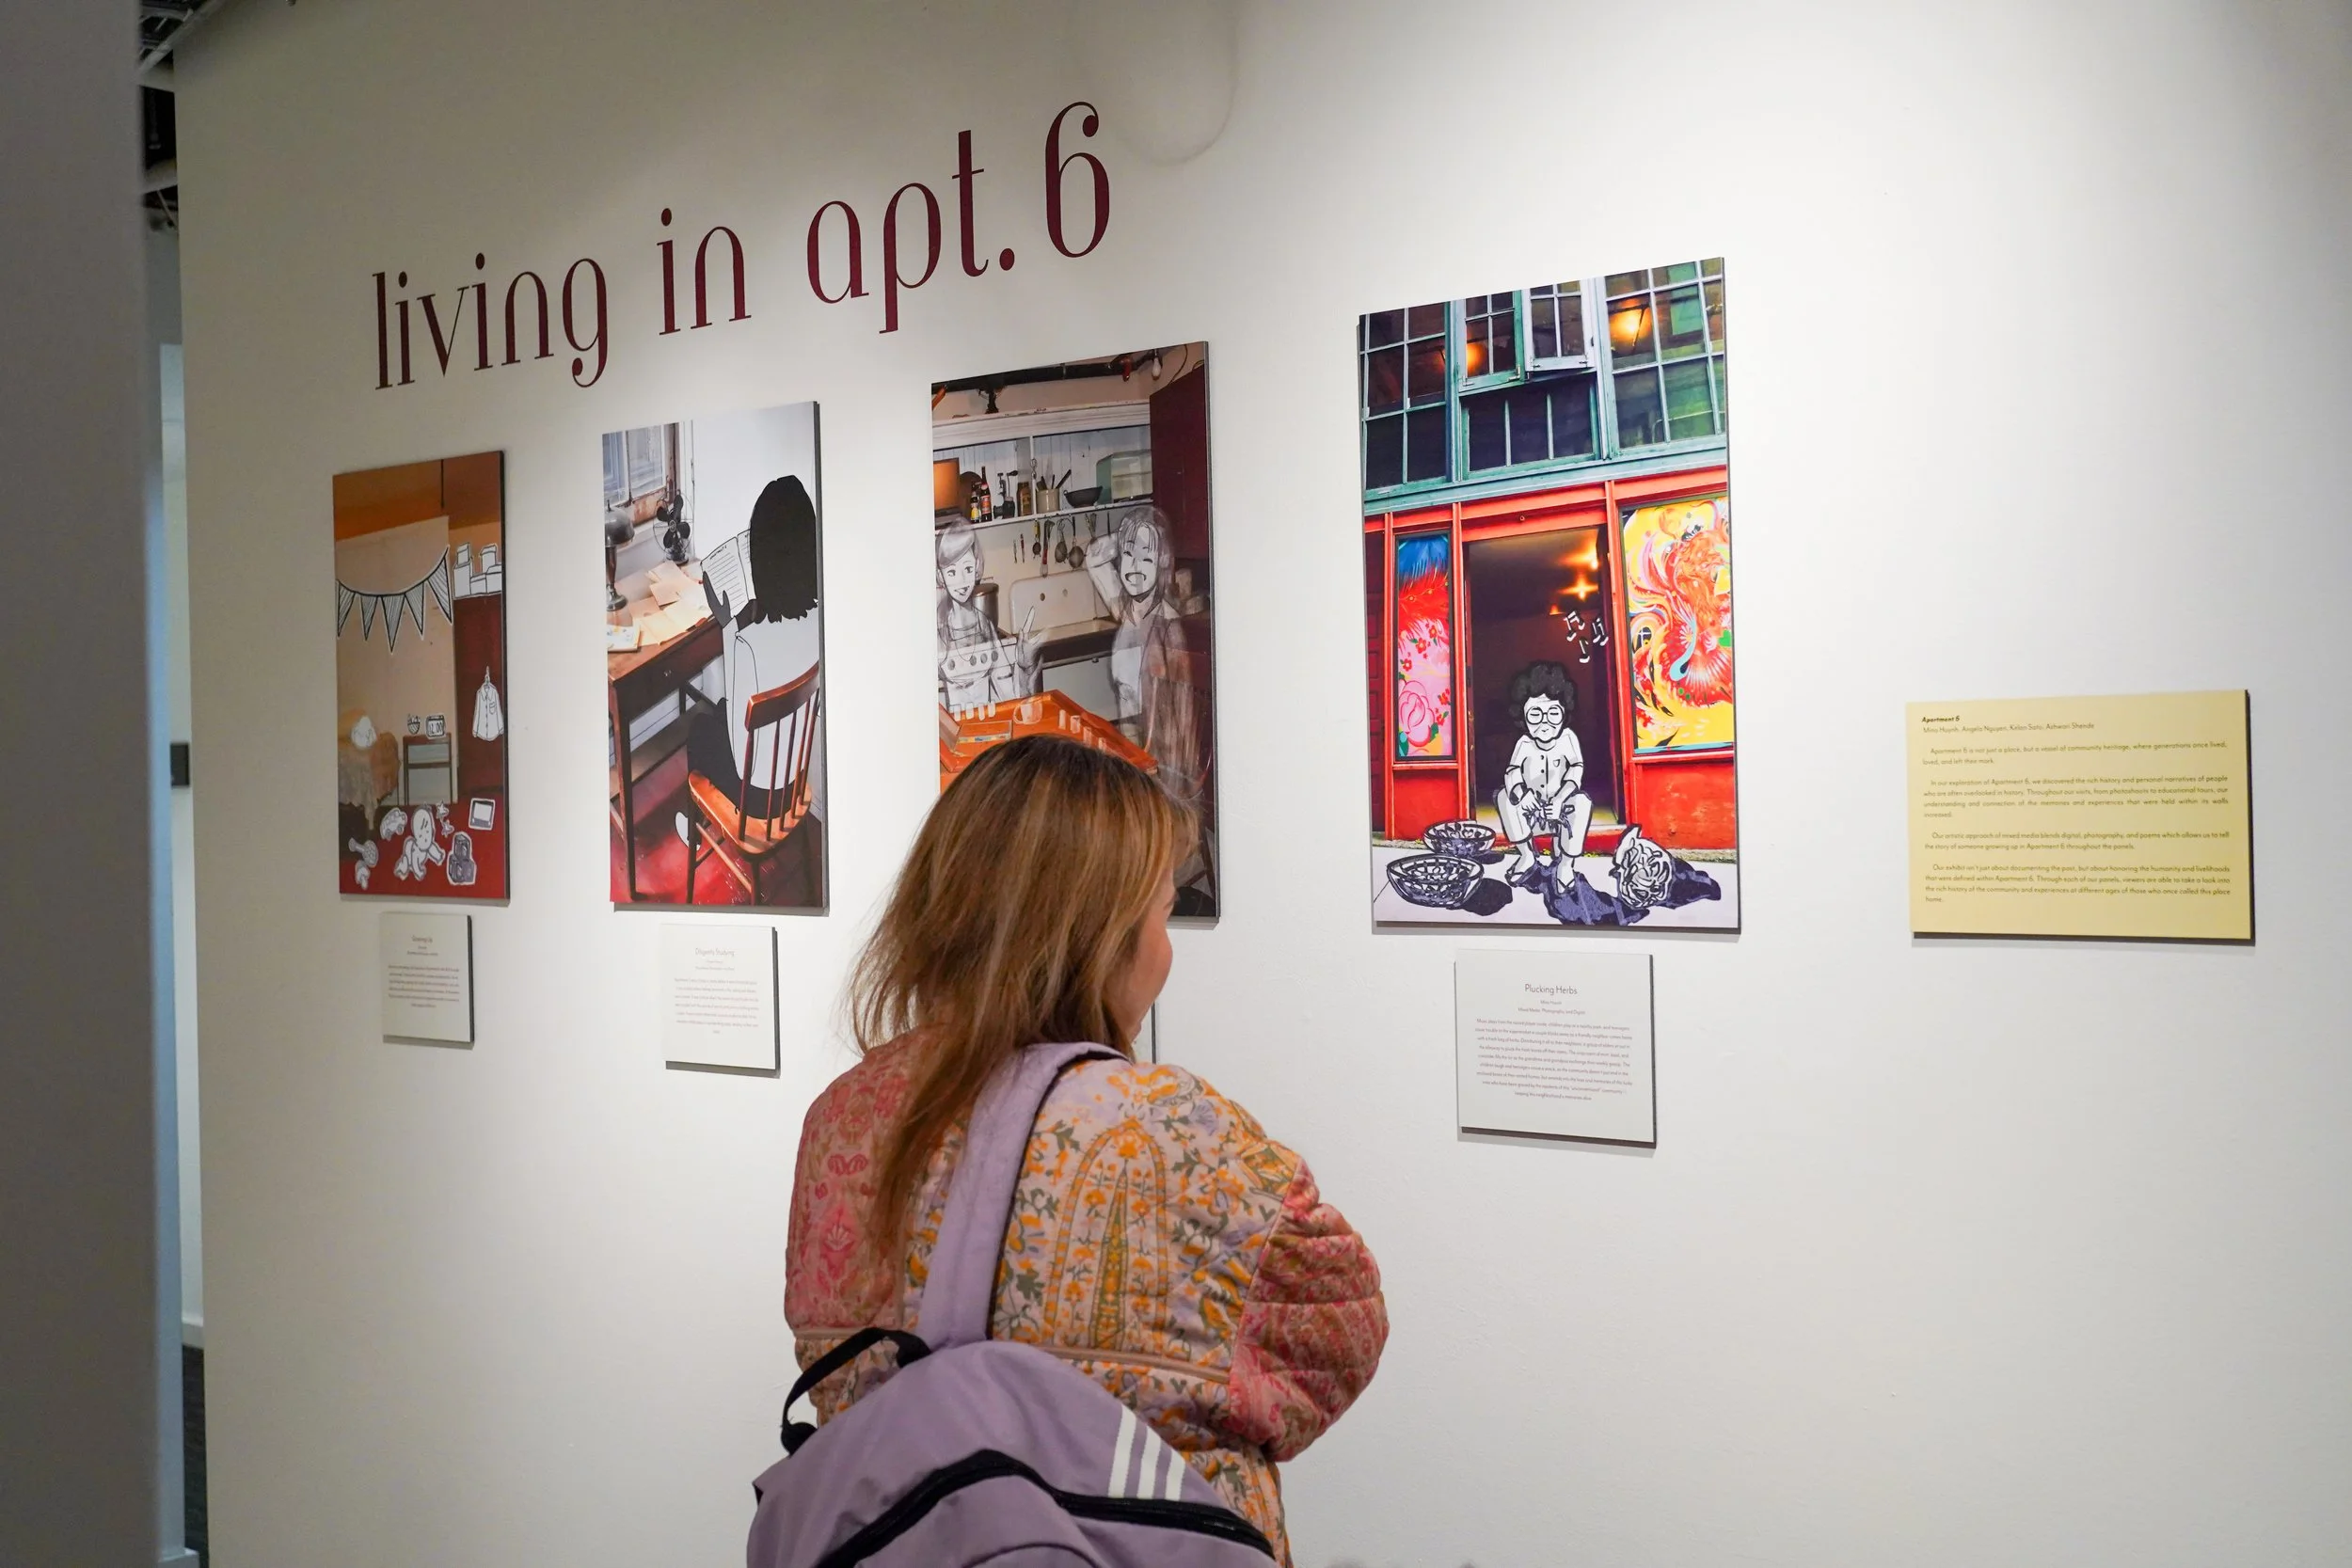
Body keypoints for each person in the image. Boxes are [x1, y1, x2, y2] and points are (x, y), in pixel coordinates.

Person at [784, 736, 1385, 1564]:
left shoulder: (841, 1120)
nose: (1165, 949)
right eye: (1161, 913)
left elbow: (828, 1373)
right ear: (1099, 936)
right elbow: (1340, 1336)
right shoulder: (1183, 1135)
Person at [1084, 504, 1216, 908]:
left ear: (1162, 564)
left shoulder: (1165, 626)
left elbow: (1176, 725)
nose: (1135, 567)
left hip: (1160, 763)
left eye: (1147, 557)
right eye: (1129, 555)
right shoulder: (1129, 611)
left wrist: (1152, 779)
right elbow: (1094, 557)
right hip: (1133, 748)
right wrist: (1129, 535)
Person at [1497, 659, 1594, 886]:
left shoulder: (1568, 738)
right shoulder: (1524, 743)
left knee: (1582, 803)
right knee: (1504, 797)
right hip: (1532, 812)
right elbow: (1512, 772)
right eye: (1535, 714)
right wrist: (1522, 795)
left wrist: (1560, 799)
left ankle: (1566, 865)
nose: (1544, 723)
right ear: (1523, 716)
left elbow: (1576, 769)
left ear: (1564, 713)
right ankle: (1527, 856)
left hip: (1561, 812)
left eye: (1553, 714)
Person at [936, 518, 1041, 709]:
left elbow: (1010, 697)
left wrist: (1024, 665)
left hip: (987, 726)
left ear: (977, 568)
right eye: (951, 572)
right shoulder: (937, 631)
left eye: (968, 569)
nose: (961, 581)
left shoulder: (984, 626)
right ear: (940, 576)